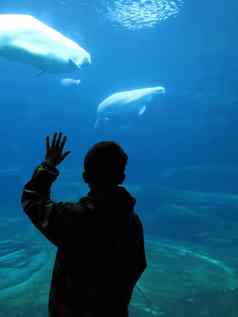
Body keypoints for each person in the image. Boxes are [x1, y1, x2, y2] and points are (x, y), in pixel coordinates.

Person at [21, 132, 147, 317]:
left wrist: (48, 166)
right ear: (122, 177)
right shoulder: (132, 221)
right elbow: (139, 264)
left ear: (85, 176)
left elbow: (31, 200)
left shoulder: (75, 218)